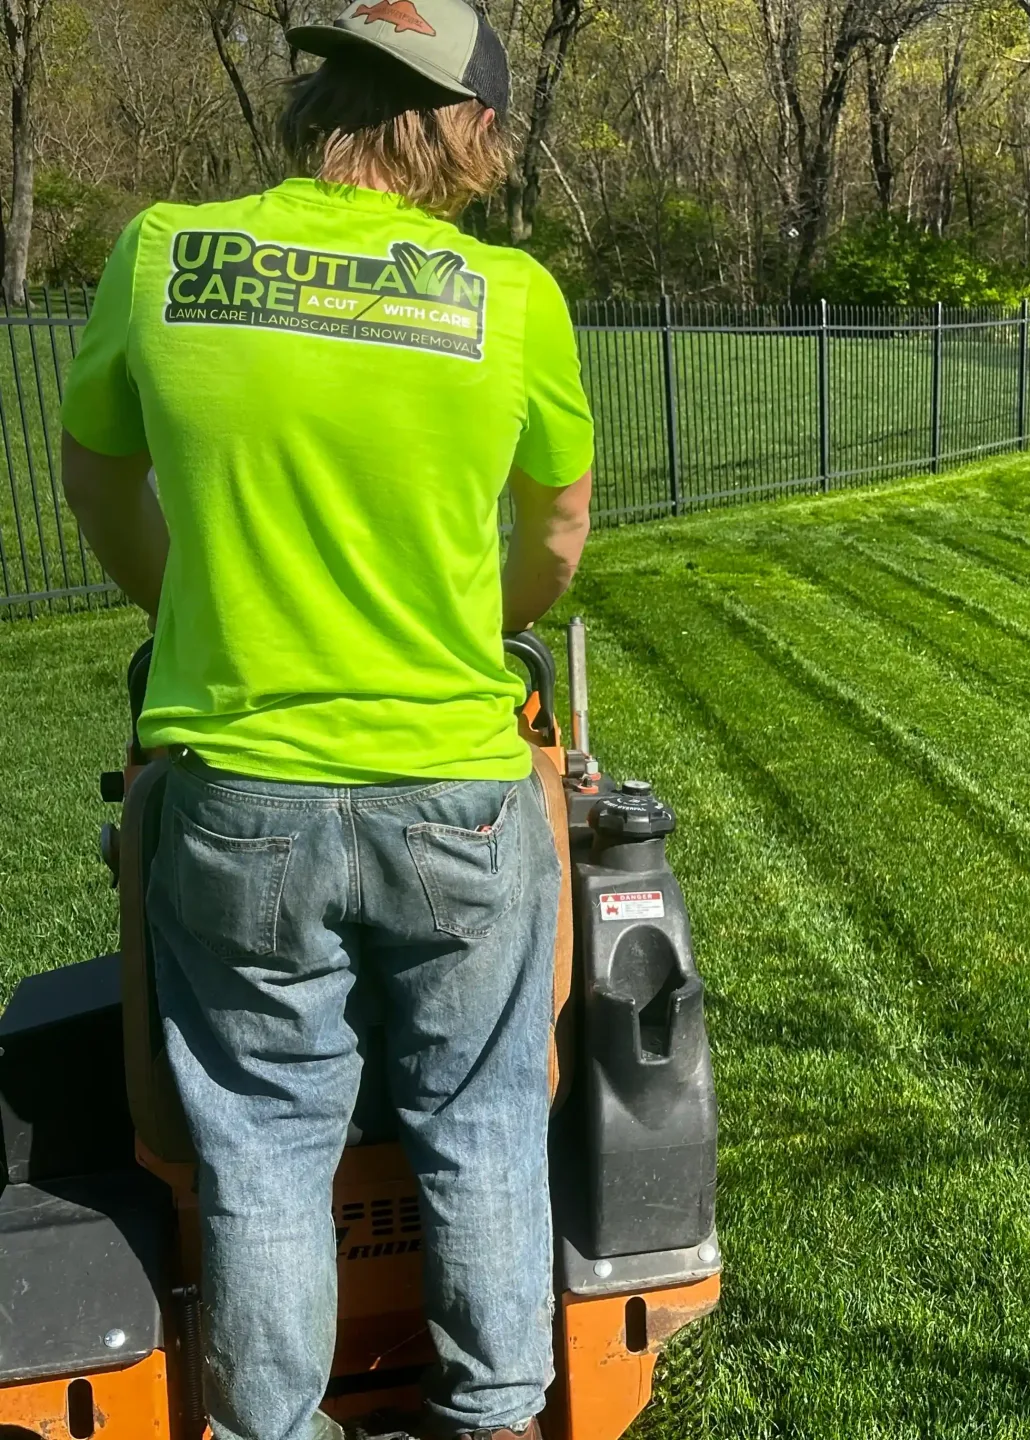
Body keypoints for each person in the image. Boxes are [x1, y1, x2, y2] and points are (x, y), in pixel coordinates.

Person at [58, 3, 594, 1439]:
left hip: (238, 795)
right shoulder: (511, 299)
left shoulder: (164, 255)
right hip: (458, 795)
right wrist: (477, 626)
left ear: (322, 97)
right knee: (482, 1126)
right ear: (466, 126)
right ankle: (491, 1421)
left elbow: (99, 482)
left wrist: (196, 615)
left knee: (264, 1144)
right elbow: (557, 531)